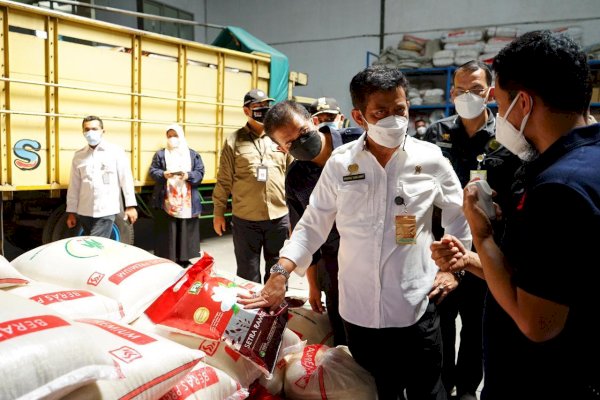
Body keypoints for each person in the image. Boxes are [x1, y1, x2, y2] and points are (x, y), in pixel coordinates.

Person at [241, 65, 471, 400]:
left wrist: (455, 270)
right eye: (381, 112)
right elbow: (312, 224)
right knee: (378, 392)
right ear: (359, 116)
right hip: (359, 314)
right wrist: (279, 272)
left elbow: (457, 214)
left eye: (400, 110)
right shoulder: (341, 163)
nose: (393, 119)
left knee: (427, 391)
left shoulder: (431, 158)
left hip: (415, 307)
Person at [431, 30, 600, 399]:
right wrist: (474, 260)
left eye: (500, 101)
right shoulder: (582, 159)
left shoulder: (559, 188)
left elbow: (537, 322)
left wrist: (483, 233)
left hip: (544, 380)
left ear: (522, 103)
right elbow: (544, 274)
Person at [423, 60, 521, 400]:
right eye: (461, 90)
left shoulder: (505, 136)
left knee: (478, 321)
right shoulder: (435, 134)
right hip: (444, 246)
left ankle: (466, 388)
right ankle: (442, 384)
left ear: (490, 93)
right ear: (451, 94)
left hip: (484, 246)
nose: (468, 96)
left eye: (476, 90)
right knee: (441, 318)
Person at [263, 100, 363, 346]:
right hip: (334, 265)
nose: (300, 142)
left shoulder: (360, 141)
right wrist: (313, 285)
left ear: (313, 121)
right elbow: (304, 233)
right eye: (290, 142)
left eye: (303, 132)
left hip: (376, 254)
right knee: (346, 334)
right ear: (282, 149)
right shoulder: (297, 178)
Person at [212, 89, 293, 283]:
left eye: (266, 106)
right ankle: (252, 312)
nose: (264, 110)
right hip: (246, 219)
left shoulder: (280, 137)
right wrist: (218, 212)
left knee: (278, 271)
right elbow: (224, 179)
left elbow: (293, 177)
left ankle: (276, 312)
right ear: (246, 111)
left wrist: (295, 216)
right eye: (258, 106)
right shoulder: (233, 141)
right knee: (248, 273)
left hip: (278, 216)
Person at [66, 115, 137, 237]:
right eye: (87, 129)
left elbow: (126, 179)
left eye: (94, 129)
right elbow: (74, 186)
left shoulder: (115, 151)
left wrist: (130, 206)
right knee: (97, 246)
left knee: (95, 244)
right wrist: (71, 212)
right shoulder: (79, 156)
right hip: (84, 211)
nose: (90, 132)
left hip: (106, 209)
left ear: (103, 131)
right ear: (83, 132)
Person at [148, 124, 205, 267]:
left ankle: (184, 258)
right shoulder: (161, 154)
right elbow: (153, 170)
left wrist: (188, 175)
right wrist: (163, 174)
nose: (172, 138)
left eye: (175, 135)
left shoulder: (192, 154)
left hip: (187, 198)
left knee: (185, 227)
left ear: (181, 136)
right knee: (169, 228)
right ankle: (168, 257)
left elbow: (200, 172)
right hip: (167, 198)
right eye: (169, 136)